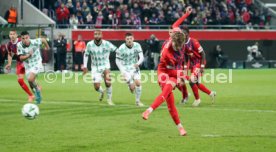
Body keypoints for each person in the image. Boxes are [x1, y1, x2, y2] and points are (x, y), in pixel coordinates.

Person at [142, 6, 192, 136]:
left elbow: (175, 24)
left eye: (180, 46)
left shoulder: (179, 37)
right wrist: (183, 77)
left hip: (174, 71)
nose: (178, 48)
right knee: (167, 90)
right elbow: (174, 68)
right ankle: (149, 110)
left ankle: (180, 128)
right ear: (173, 41)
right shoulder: (166, 53)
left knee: (171, 105)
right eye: (176, 46)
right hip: (164, 71)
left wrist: (186, 15)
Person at [183, 27, 216, 106]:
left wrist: (202, 66)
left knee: (191, 81)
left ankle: (197, 100)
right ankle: (211, 93)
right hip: (193, 64)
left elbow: (203, 54)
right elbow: (186, 57)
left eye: (182, 33)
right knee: (196, 83)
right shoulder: (182, 44)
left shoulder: (194, 42)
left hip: (199, 63)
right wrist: (185, 68)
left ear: (187, 34)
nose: (181, 35)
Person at [83, 30, 117, 105]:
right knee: (96, 87)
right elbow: (86, 55)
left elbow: (116, 50)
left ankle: (109, 99)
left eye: (98, 34)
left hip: (105, 66)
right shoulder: (89, 44)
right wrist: (85, 66)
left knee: (108, 81)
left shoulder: (107, 44)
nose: (97, 36)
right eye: (95, 34)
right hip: (95, 68)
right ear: (93, 35)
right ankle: (102, 92)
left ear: (101, 35)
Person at [16, 31, 50, 104]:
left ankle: (37, 92)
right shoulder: (19, 45)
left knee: (30, 79)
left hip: (37, 62)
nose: (25, 40)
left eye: (26, 38)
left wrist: (47, 47)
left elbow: (43, 40)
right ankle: (37, 89)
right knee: (30, 83)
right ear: (21, 39)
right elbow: (21, 58)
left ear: (29, 37)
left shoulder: (34, 42)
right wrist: (28, 55)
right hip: (27, 65)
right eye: (23, 38)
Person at [4, 31, 35, 102]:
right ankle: (31, 95)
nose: (12, 36)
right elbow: (10, 54)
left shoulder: (22, 41)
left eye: (13, 34)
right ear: (9, 35)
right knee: (20, 80)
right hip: (20, 62)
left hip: (28, 61)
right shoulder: (9, 44)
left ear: (17, 35)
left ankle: (36, 88)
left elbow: (31, 47)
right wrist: (9, 63)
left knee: (30, 80)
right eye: (10, 34)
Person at [116, 33, 144, 107]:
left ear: (133, 39)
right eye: (127, 39)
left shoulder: (137, 45)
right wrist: (122, 71)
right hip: (125, 69)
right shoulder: (121, 48)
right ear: (125, 40)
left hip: (134, 67)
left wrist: (138, 63)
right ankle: (130, 86)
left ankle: (138, 101)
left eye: (130, 39)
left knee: (138, 83)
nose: (129, 40)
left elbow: (141, 57)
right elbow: (117, 61)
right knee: (132, 88)